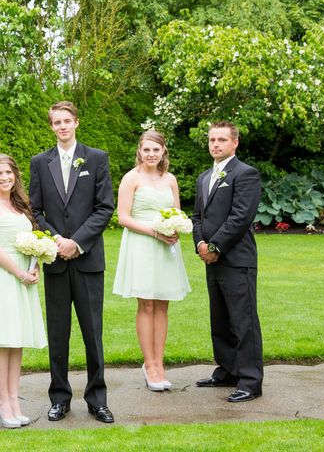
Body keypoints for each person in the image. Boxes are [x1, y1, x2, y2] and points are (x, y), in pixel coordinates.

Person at [28, 100, 115, 424]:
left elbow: (105, 207)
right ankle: (59, 398)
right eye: (56, 122)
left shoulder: (96, 158)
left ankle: (97, 399)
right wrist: (56, 242)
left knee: (93, 334)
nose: (62, 126)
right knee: (58, 333)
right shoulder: (40, 162)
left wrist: (76, 242)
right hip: (56, 261)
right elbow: (35, 211)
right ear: (51, 126)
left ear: (76, 122)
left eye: (67, 121)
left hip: (88, 260)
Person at [112, 130, 191, 391]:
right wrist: (155, 232)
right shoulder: (131, 178)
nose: (151, 154)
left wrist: (175, 228)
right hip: (142, 244)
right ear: (140, 151)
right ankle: (149, 365)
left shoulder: (170, 179)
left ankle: (160, 363)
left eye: (156, 150)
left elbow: (176, 212)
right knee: (146, 304)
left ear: (163, 151)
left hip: (166, 247)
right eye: (146, 149)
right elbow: (123, 217)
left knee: (162, 305)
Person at [191, 121, 263, 403]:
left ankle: (250, 380)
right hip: (211, 259)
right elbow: (197, 216)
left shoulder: (246, 174)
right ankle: (228, 370)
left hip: (236, 259)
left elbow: (241, 216)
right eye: (212, 140)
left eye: (221, 139)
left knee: (243, 321)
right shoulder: (204, 176)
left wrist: (216, 246)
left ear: (235, 143)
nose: (215, 144)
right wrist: (200, 245)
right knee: (219, 318)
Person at [0, 154, 46, 429]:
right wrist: (18, 273)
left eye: (8, 173)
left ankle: (15, 399)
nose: (5, 178)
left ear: (15, 174)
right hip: (4, 277)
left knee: (17, 340)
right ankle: (2, 400)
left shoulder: (21, 204)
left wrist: (36, 264)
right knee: (2, 339)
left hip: (25, 275)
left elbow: (32, 239)